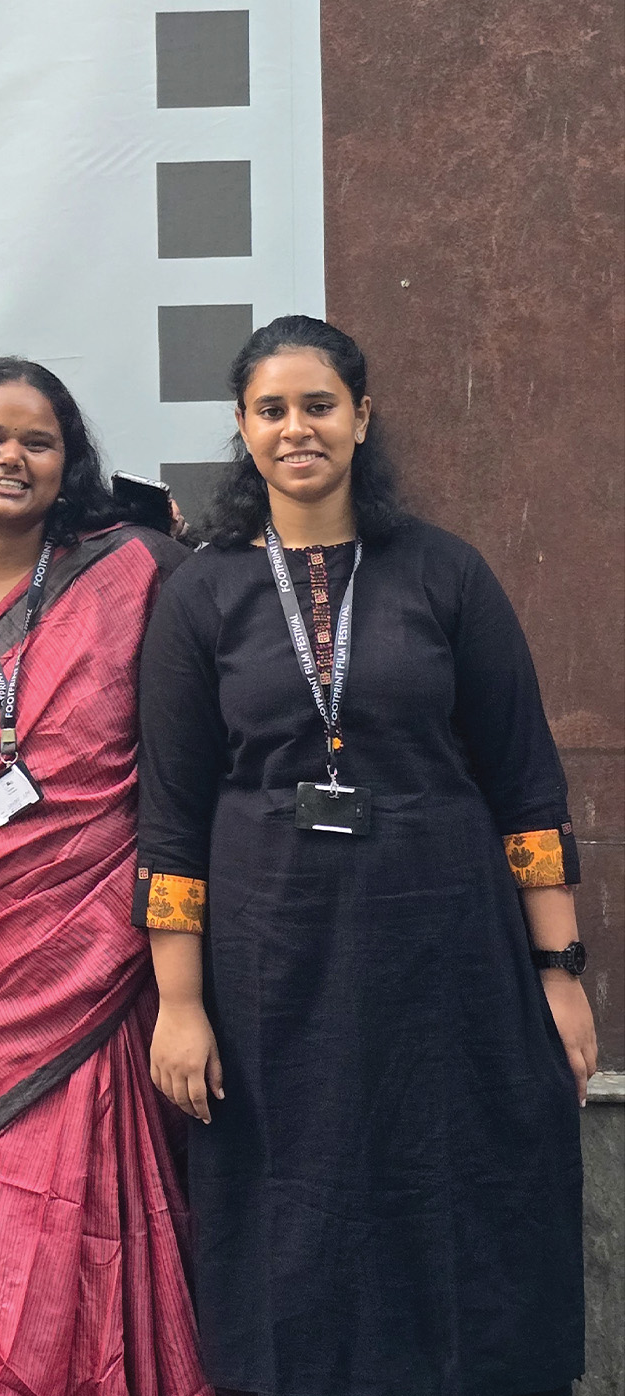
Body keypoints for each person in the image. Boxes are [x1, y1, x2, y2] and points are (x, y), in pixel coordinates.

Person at [135, 314, 595, 1396]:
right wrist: (179, 1003)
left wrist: (558, 973)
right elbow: (170, 815)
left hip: (446, 950)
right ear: (242, 427)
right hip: (270, 962)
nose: (295, 428)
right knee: (293, 1203)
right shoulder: (200, 592)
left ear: (361, 416)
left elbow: (525, 786)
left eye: (318, 405)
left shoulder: (443, 572)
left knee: (457, 1185)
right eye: (270, 409)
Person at [0, 358, 209, 1396]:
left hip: (115, 941)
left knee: (114, 1179)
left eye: (37, 441)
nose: (9, 457)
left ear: (69, 464)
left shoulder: (133, 570)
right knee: (15, 1179)